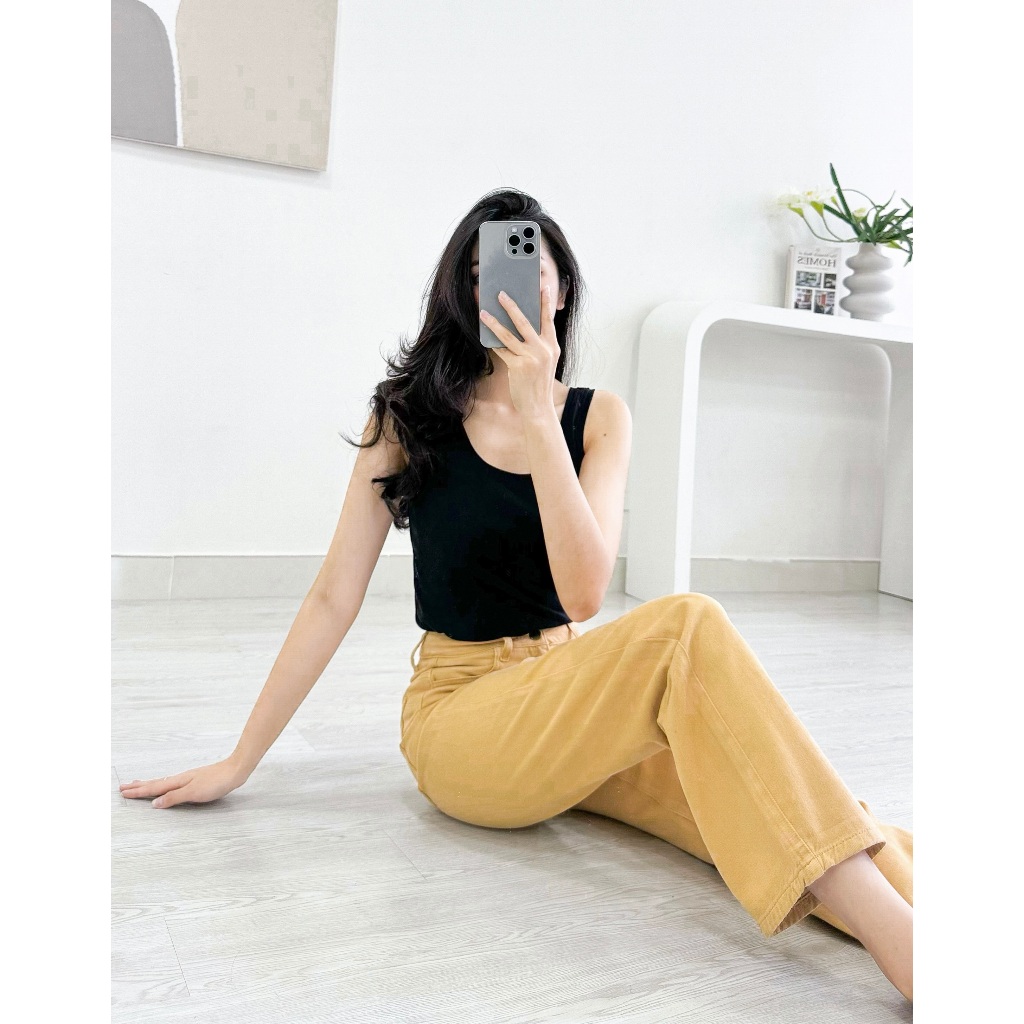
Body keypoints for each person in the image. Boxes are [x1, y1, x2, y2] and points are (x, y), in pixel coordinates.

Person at [120, 188, 913, 1001]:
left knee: (769, 792)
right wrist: (239, 761)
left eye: (533, 262)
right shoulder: (407, 416)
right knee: (685, 628)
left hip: (568, 696)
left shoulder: (599, 418)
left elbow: (579, 594)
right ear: (459, 295)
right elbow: (333, 597)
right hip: (459, 716)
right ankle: (907, 949)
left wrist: (540, 417)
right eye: (479, 272)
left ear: (562, 289)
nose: (506, 282)